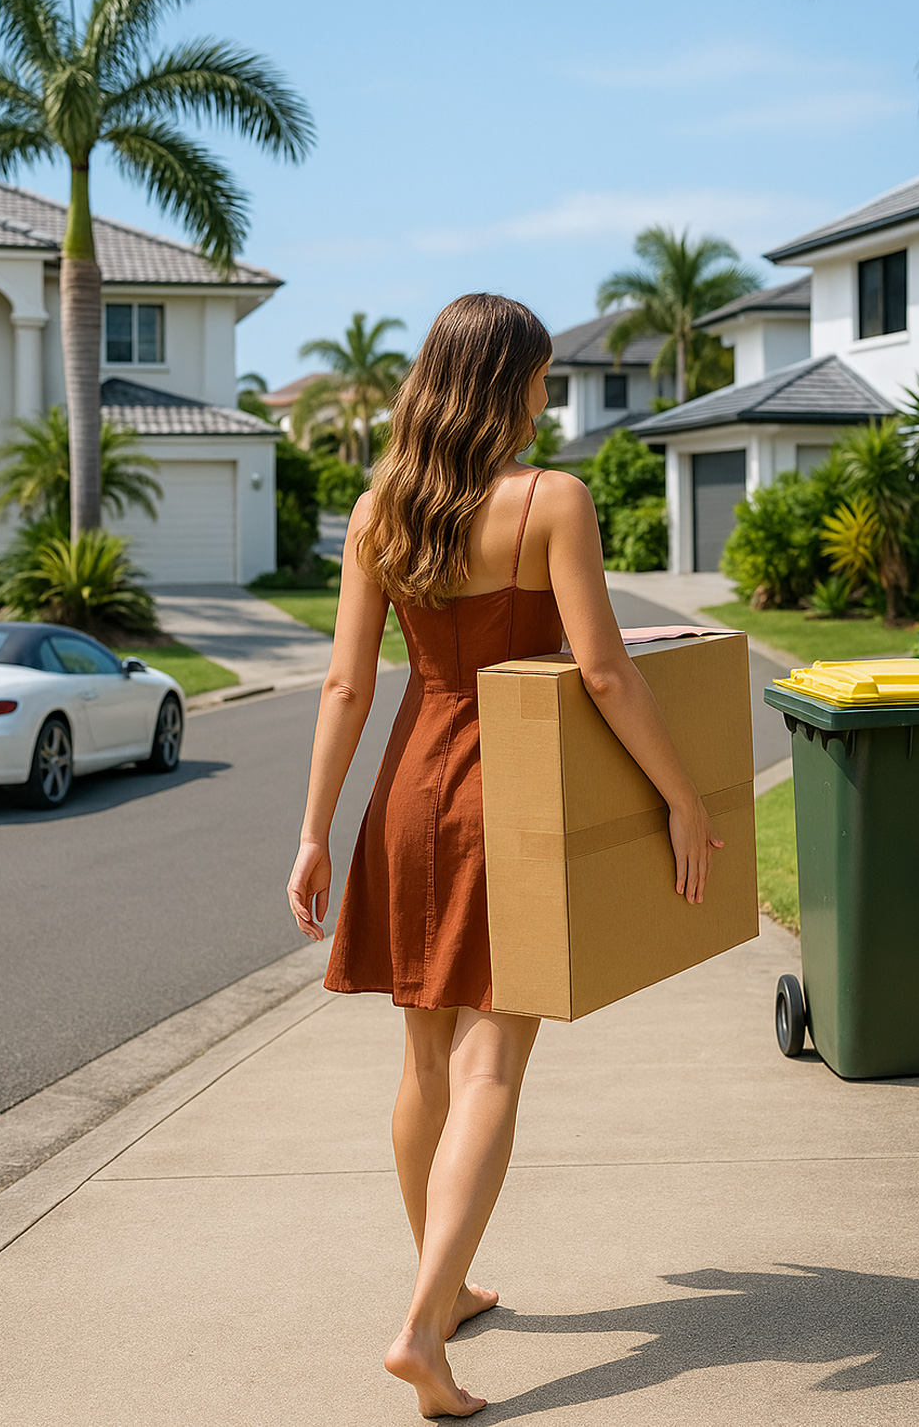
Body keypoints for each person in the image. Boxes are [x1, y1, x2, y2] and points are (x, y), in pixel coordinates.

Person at [286, 293, 723, 1418]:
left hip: (405, 795)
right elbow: (607, 674)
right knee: (491, 1068)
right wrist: (683, 800)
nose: (544, 396)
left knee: (424, 1065)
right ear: (508, 385)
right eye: (538, 377)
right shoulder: (550, 501)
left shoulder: (382, 505)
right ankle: (424, 1329)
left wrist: (312, 830)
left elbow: (344, 685)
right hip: (508, 798)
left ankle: (445, 1282)